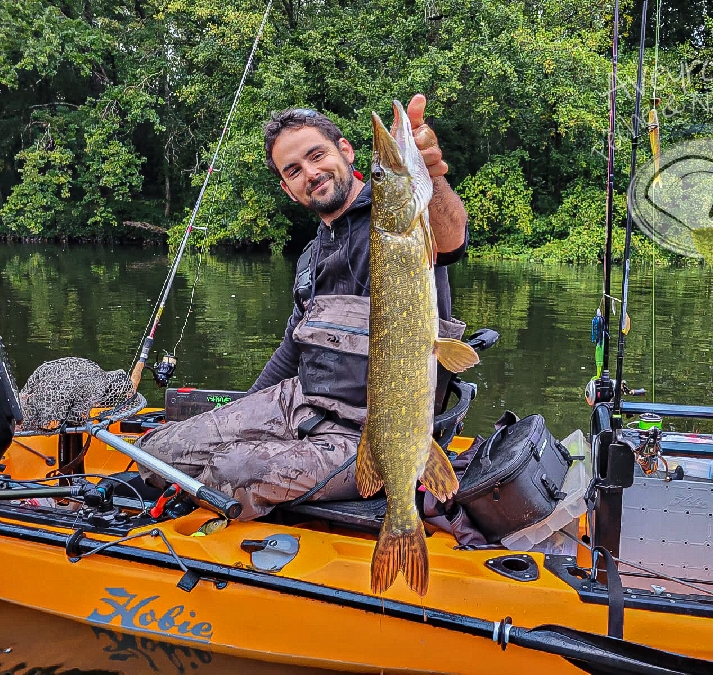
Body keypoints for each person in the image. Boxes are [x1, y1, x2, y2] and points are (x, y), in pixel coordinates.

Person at [136, 95, 469, 520]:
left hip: (370, 431)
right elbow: (291, 352)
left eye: (317, 156)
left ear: (345, 152)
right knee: (157, 452)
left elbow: (450, 236)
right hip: (298, 402)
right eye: (294, 170)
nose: (310, 173)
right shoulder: (310, 258)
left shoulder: (402, 224)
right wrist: (244, 414)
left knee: (229, 471)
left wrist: (433, 177)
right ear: (287, 188)